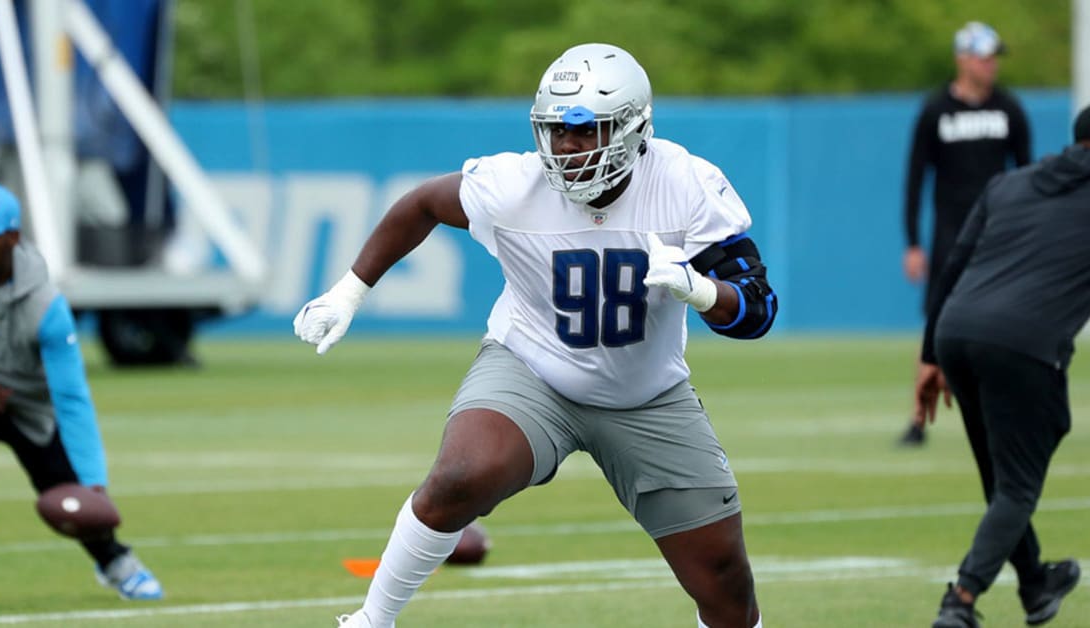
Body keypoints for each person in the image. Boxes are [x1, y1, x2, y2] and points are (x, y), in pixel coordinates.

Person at [294, 43, 777, 628]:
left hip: (646, 394)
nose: (565, 148)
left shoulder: (685, 183)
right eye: (555, 132)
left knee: (726, 583)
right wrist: (350, 290)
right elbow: (421, 204)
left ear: (631, 129)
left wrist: (699, 289)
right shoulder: (513, 185)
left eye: (585, 131)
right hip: (532, 371)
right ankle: (371, 620)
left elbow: (756, 309)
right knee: (460, 474)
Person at [914, 97, 1090, 627]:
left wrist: (929, 357)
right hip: (1024, 346)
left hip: (956, 335)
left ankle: (1036, 583)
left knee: (1001, 476)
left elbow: (952, 268)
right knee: (1017, 484)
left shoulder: (1009, 185)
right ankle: (961, 600)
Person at [0, 185, 164, 614]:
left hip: (28, 406)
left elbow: (72, 396)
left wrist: (94, 480)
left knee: (64, 485)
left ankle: (115, 562)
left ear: (12, 239)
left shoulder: (44, 306)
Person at [899, 20, 1032, 446]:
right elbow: (916, 177)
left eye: (994, 57)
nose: (991, 65)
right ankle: (918, 419)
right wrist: (913, 243)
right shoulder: (937, 110)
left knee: (1004, 317)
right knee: (936, 323)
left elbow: (1026, 174)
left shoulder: (1009, 109)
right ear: (963, 58)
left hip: (1000, 233)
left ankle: (1004, 409)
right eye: (983, 56)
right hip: (951, 233)